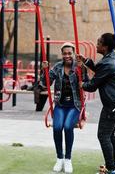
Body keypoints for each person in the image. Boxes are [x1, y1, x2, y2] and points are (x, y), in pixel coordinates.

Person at [77, 33, 115, 174]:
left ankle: (110, 169)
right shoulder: (114, 56)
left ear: (105, 47)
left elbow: (92, 85)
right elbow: (101, 71)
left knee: (103, 135)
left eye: (98, 43)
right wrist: (87, 61)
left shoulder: (107, 62)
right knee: (110, 134)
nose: (96, 45)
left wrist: (82, 84)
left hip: (114, 103)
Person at [41, 42, 88, 173]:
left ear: (73, 54)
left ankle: (68, 159)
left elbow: (87, 83)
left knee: (68, 127)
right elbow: (45, 83)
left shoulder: (78, 66)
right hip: (61, 105)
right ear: (62, 54)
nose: (67, 55)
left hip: (75, 105)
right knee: (57, 127)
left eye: (69, 53)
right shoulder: (57, 67)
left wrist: (82, 70)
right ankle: (59, 158)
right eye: (64, 53)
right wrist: (43, 70)